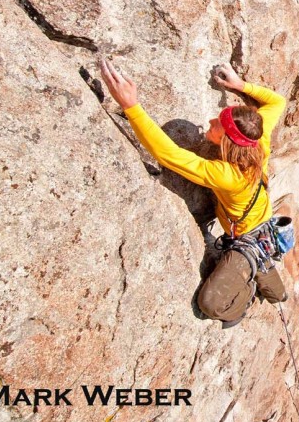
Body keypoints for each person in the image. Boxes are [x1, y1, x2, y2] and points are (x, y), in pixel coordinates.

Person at [99, 57, 289, 328]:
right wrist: (239, 85)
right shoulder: (259, 138)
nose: (209, 122)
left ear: (226, 142)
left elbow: (168, 154)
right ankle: (270, 282)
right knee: (262, 269)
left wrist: (131, 106)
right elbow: (277, 102)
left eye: (216, 127)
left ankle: (246, 295)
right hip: (262, 223)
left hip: (246, 237)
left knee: (211, 304)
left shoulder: (228, 176)